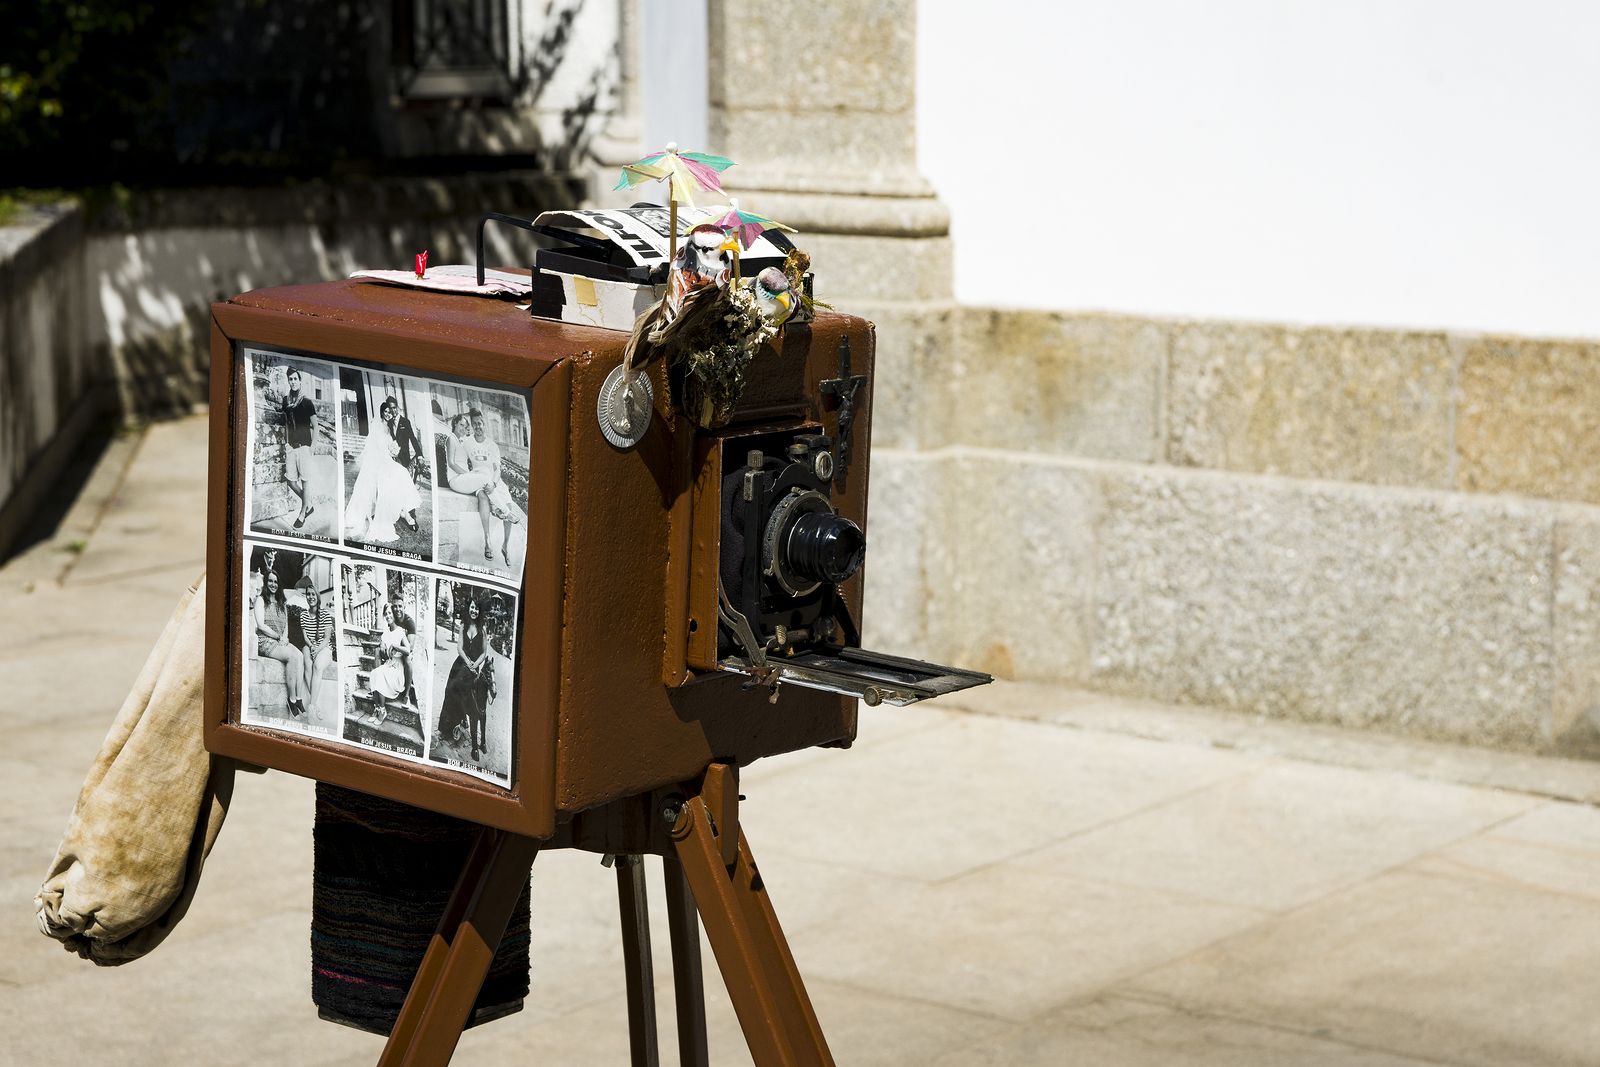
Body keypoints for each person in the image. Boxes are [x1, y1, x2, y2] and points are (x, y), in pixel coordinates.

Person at [443, 410, 521, 564]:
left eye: (480, 423)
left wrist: (494, 483)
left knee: (509, 503)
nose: (477, 427)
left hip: (493, 480)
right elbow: (455, 460)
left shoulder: (492, 445)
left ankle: (505, 545)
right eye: (474, 424)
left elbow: (497, 469)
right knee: (483, 496)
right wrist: (468, 475)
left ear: (484, 425)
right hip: (477, 479)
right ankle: (488, 541)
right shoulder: (466, 442)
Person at [345, 396, 422, 544]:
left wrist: (394, 450)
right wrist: (384, 455)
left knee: (402, 474)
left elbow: (404, 440)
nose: (388, 413)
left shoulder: (391, 425)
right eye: (385, 411)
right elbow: (372, 446)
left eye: (390, 411)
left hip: (388, 459)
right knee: (391, 479)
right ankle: (402, 513)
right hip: (378, 460)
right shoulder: (376, 425)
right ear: (381, 413)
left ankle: (406, 512)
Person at [437, 593, 493, 762]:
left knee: (472, 692)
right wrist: (467, 662)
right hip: (461, 664)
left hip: (475, 665)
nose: (474, 610)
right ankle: (451, 724)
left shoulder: (482, 629)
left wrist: (474, 665)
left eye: (476, 608)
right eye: (472, 607)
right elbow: (459, 649)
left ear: (479, 610)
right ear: (469, 608)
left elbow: (484, 653)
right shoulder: (463, 625)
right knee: (452, 688)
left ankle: (465, 718)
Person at [254, 571, 307, 717]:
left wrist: (284, 638)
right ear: (266, 583)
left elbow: (286, 626)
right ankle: (291, 699)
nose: (273, 584)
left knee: (300, 656)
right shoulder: (260, 600)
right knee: (292, 657)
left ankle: (299, 698)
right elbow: (261, 625)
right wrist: (278, 637)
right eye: (270, 581)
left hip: (279, 640)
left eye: (276, 582)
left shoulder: (282, 603)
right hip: (265, 641)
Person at [280, 368, 320, 531]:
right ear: (288, 381)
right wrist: (286, 443)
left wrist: (312, 448)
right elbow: (286, 424)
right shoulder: (285, 401)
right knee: (291, 481)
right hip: (291, 447)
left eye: (295, 379)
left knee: (305, 480)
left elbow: (316, 427)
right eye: (290, 379)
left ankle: (303, 513)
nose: (293, 381)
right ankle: (309, 504)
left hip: (304, 447)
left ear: (300, 381)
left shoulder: (307, 402)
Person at [291, 577, 335, 717]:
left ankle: (311, 705)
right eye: (308, 594)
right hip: (309, 645)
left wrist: (318, 649)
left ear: (317, 596)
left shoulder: (325, 615)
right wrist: (311, 647)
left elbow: (327, 638)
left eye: (313, 594)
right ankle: (315, 705)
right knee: (308, 665)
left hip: (324, 647)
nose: (310, 597)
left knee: (317, 666)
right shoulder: (303, 615)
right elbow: (305, 637)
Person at [387, 594, 419, 708]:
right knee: (378, 651)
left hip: (404, 651)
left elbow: (410, 648)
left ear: (404, 606)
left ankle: (406, 696)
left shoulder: (409, 622)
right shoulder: (391, 619)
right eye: (394, 606)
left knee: (408, 659)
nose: (397, 609)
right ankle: (378, 689)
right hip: (394, 651)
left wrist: (396, 647)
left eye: (400, 606)